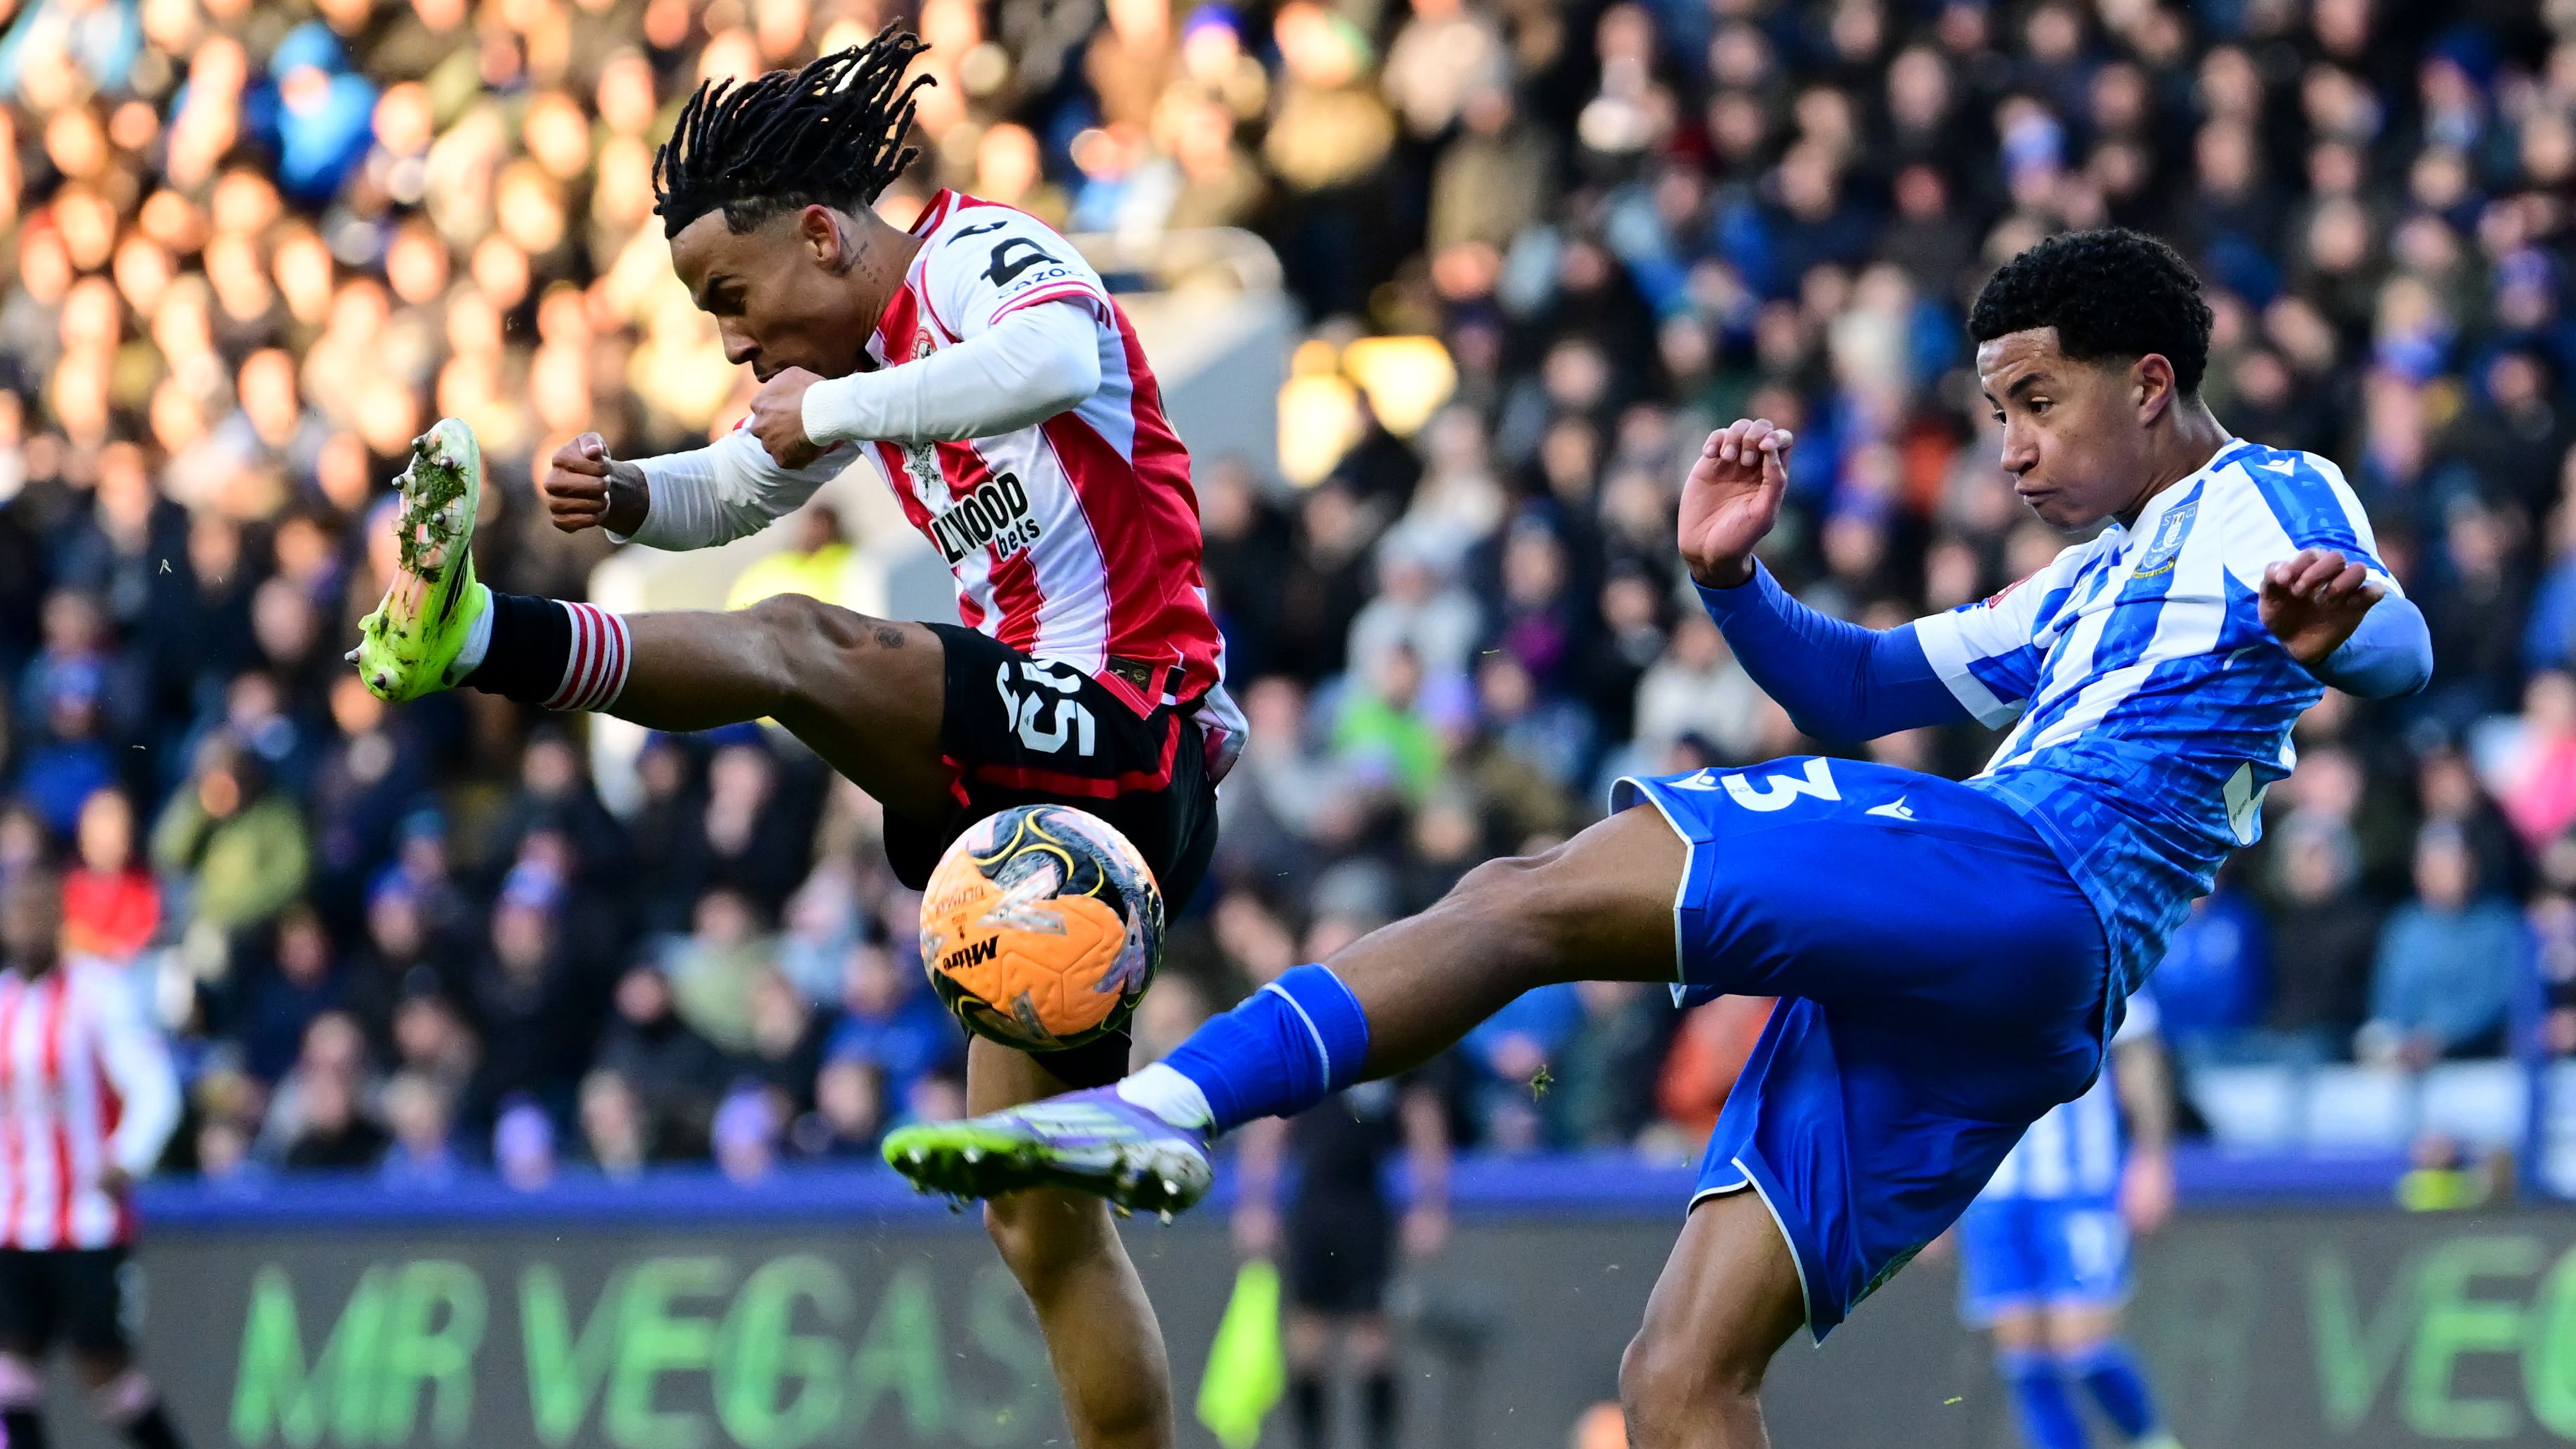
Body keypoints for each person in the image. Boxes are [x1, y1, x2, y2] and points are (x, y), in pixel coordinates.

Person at [881, 229, 2436, 1445]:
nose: (2011, 446)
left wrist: (2338, 636)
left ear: (2151, 382)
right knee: (1680, 1371)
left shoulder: (2263, 497)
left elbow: (2403, 648)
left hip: (2025, 874)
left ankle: (1162, 1104)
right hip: (2022, 998)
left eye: (2037, 402)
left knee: (1527, 894)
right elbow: (1861, 684)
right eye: (1992, 413)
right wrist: (1732, 587)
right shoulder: (2086, 579)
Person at [347, 33, 1238, 1449]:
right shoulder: (869, 358)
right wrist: (627, 493)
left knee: (795, 642)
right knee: (1032, 1211)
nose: (732, 337)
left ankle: (474, 641)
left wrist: (828, 406)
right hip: (1037, 781)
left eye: (732, 296)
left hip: (1131, 730)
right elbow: (741, 481)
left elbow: (1061, 352)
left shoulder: (974, 261)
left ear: (823, 235)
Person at [0, 871, 187, 1449]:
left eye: (38, 913)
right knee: (10, 1376)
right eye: (17, 913)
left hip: (87, 1219)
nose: (27, 925)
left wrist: (128, 1155)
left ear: (59, 922)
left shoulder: (98, 993)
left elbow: (155, 1087)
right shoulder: (4, 1002)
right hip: (15, 1221)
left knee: (105, 1373)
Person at [1956, 993, 2184, 1449]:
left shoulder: (2093, 940)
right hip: (1993, 1192)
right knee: (2024, 1356)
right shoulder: (1957, 954)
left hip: (2079, 1186)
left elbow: (2138, 1053)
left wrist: (2152, 1157)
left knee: (2083, 1346)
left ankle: (2152, 1439)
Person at [1231, 1073, 1450, 1449]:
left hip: (1365, 1207)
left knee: (1373, 1332)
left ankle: (1379, 1439)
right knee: (1307, 1331)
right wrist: (1255, 1202)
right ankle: (1311, 1440)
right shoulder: (1311, 1046)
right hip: (1314, 1208)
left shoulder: (1387, 1046)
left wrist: (1431, 1202)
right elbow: (1271, 1124)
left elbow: (1422, 1119)